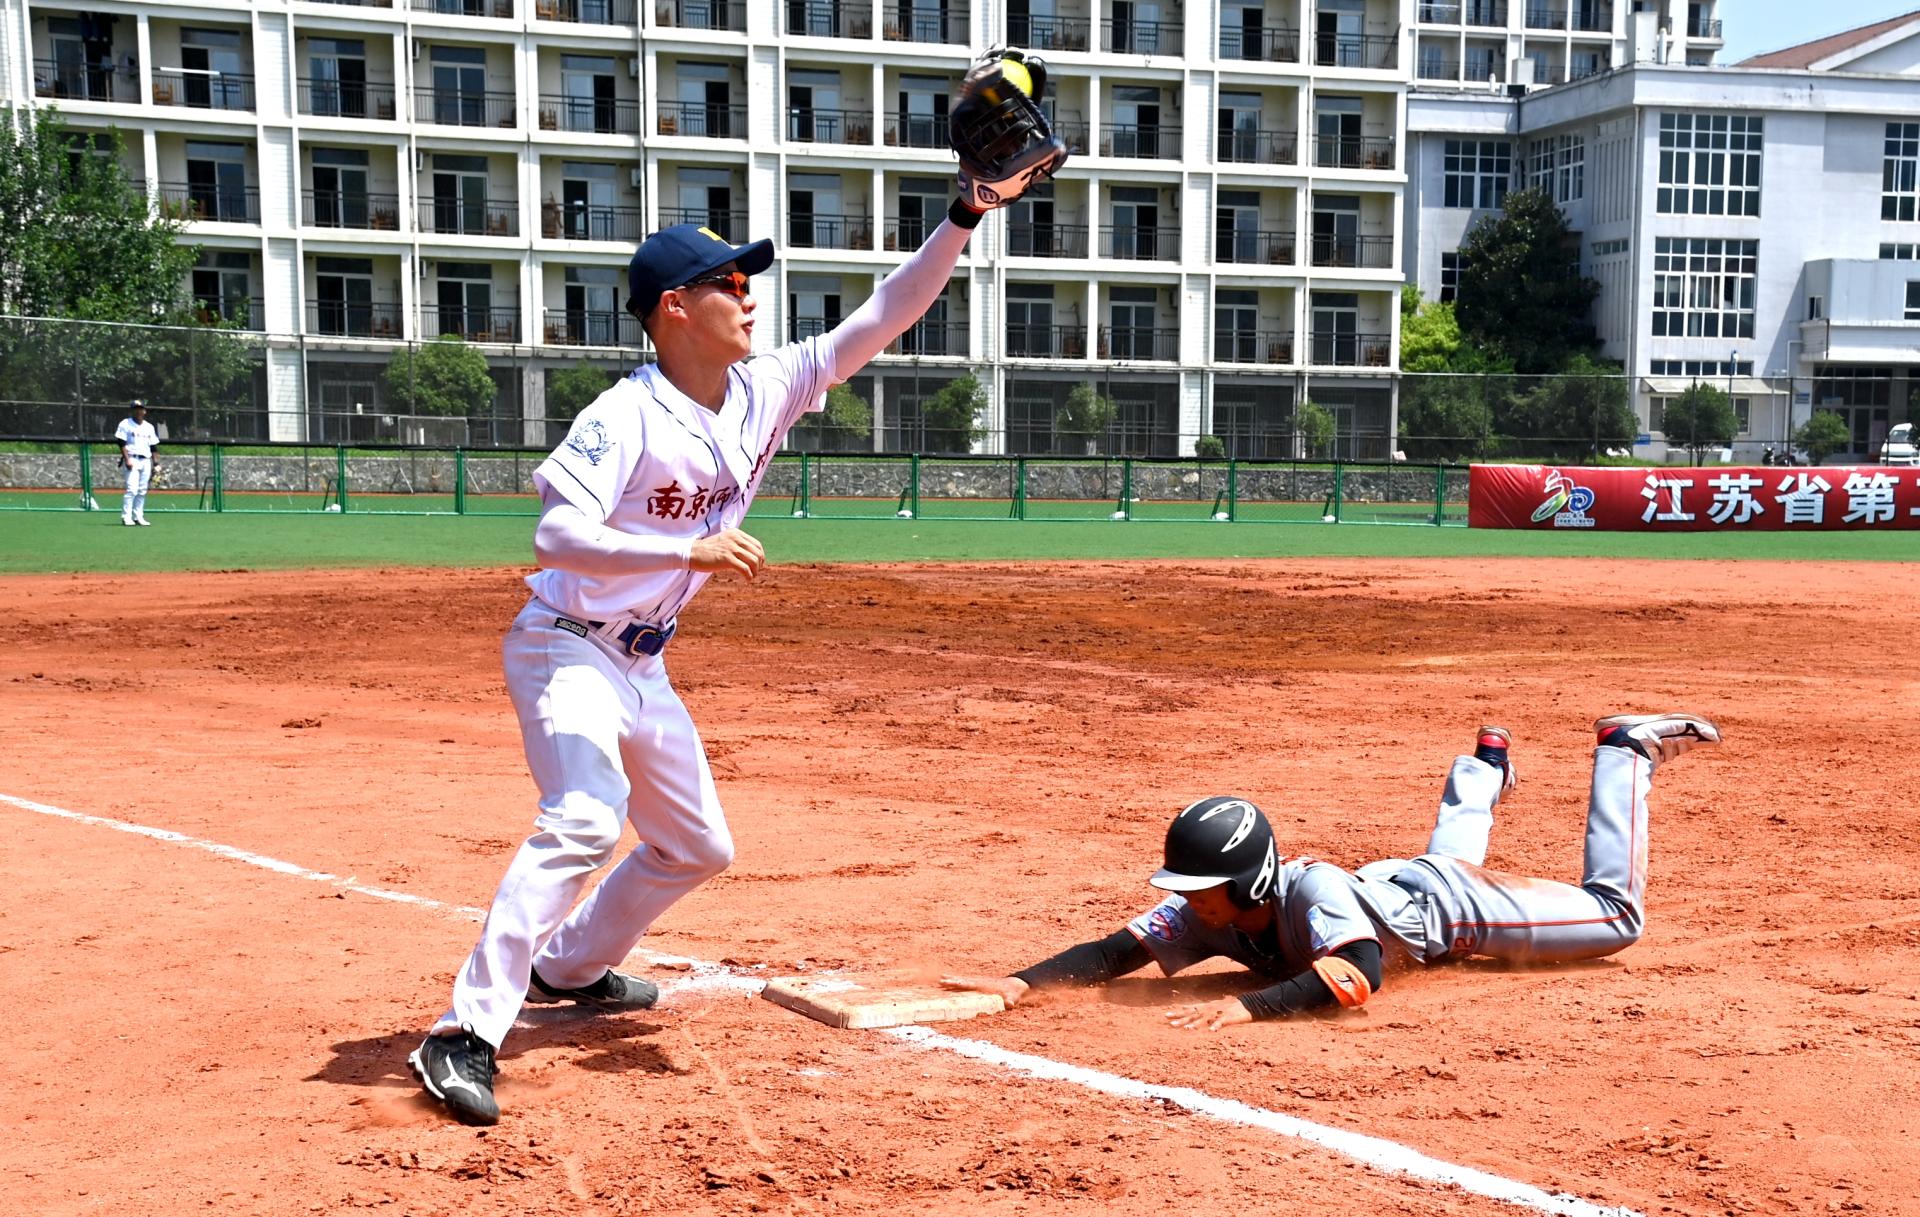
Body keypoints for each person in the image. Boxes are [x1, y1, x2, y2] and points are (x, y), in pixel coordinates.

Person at [407, 50, 1069, 1126]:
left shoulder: (764, 389)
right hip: (564, 644)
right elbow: (556, 530)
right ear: (674, 308)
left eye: (747, 279)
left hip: (641, 663)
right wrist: (687, 553)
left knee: (698, 845)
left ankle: (570, 967)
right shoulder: (624, 414)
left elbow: (882, 318)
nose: (747, 294)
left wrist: (965, 214)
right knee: (585, 816)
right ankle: (461, 1034)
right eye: (727, 282)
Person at [943, 714, 1721, 1030]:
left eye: (1198, 888)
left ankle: (1623, 753)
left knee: (1616, 916)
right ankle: (1486, 767)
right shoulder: (1210, 913)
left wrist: (1250, 1007)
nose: (1185, 902)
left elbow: (1361, 972)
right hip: (1398, 885)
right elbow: (1117, 951)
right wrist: (1020, 980)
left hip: (1455, 912)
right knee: (1445, 856)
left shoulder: (1308, 889)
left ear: (1245, 884)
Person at [113, 399, 158, 526]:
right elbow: (121, 442)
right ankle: (126, 517)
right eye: (136, 409)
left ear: (144, 411)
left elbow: (153, 446)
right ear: (132, 411)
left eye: (140, 409)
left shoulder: (149, 427)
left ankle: (138, 516)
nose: (138, 411)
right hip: (132, 458)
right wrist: (127, 459)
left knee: (142, 490)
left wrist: (156, 463)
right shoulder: (125, 423)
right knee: (132, 489)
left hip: (145, 460)